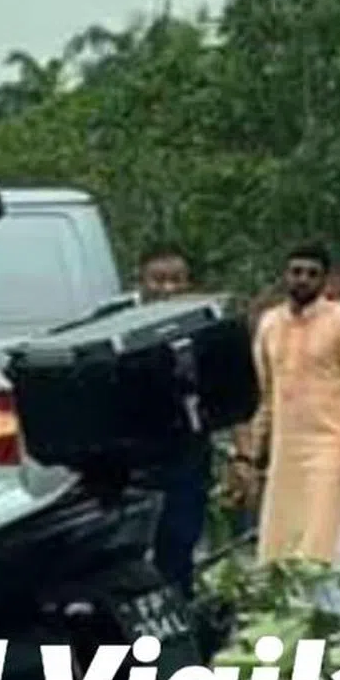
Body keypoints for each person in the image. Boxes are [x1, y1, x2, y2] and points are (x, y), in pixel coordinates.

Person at [229, 241, 340, 615]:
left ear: (325, 279)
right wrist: (248, 454)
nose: (303, 280)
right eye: (296, 272)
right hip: (285, 454)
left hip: (331, 449)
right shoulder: (270, 324)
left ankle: (333, 626)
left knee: (326, 541)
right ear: (285, 275)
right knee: (283, 543)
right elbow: (263, 395)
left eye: (312, 273)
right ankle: (292, 627)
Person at [136, 243, 212, 600]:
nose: (168, 289)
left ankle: (180, 614)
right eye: (159, 280)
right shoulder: (119, 334)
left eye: (176, 280)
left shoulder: (204, 330)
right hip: (137, 460)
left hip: (189, 453)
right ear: (141, 282)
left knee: (181, 542)